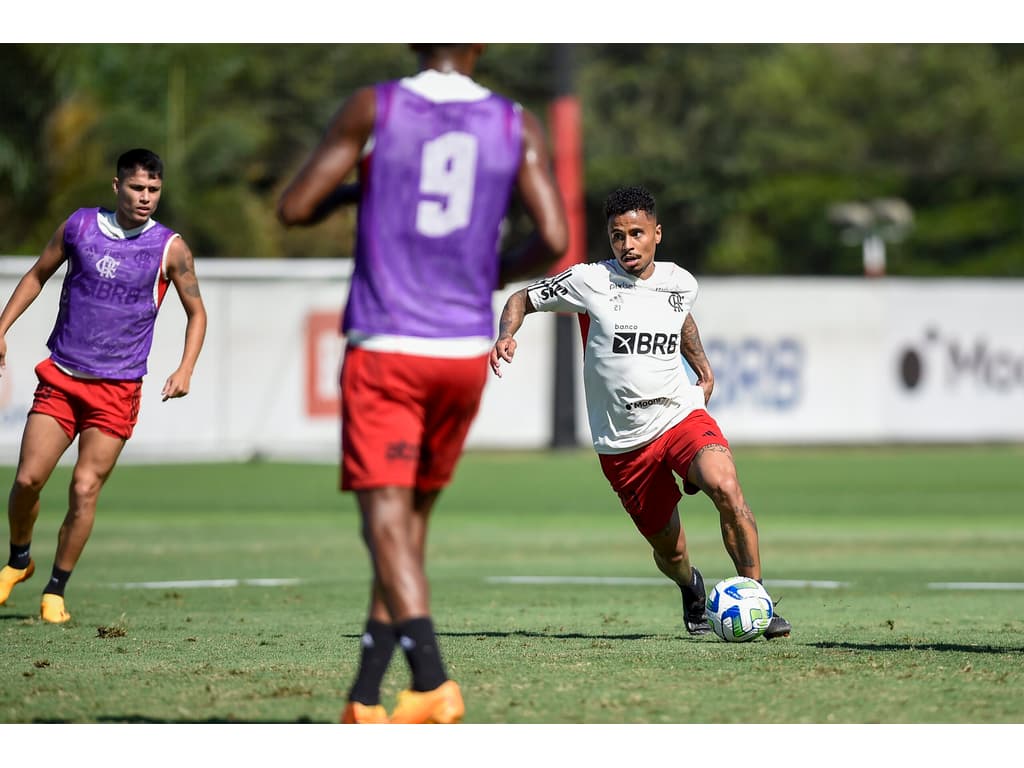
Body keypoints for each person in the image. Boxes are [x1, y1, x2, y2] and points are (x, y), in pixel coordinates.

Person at [277, 44, 568, 724]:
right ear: (480, 45)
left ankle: (433, 678)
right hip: (464, 351)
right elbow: (554, 237)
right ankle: (365, 695)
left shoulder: (374, 107)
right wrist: (488, 274)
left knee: (384, 521)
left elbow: (294, 207)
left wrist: (355, 189)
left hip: (388, 344)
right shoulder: (516, 122)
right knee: (406, 528)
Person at [490, 184, 791, 641]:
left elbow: (680, 319)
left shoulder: (680, 281)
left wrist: (704, 371)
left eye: (636, 233)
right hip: (623, 443)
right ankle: (691, 587)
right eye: (617, 236)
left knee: (726, 487)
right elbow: (521, 299)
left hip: (678, 416)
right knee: (671, 552)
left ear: (657, 233)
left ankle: (759, 603)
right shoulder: (588, 281)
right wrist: (506, 335)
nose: (627, 245)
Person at [0, 148, 207, 625]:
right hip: (63, 377)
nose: (146, 198)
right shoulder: (79, 227)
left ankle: (56, 589)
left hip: (117, 390)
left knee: (85, 488)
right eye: (138, 188)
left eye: (154, 190)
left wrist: (185, 368)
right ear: (117, 186)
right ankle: (18, 560)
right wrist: (3, 327)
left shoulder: (170, 248)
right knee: (29, 479)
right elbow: (36, 275)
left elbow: (197, 313)